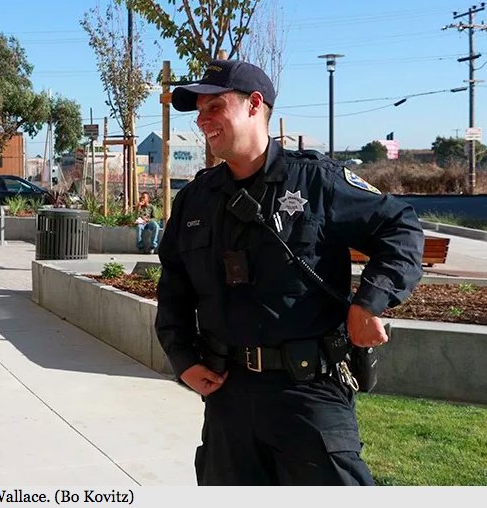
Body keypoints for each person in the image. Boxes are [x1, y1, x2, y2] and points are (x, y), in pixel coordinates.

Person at [156, 59, 423, 485]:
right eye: (199, 111)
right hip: (228, 394)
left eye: (214, 107)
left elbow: (401, 227)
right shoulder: (196, 199)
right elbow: (173, 283)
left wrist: (370, 301)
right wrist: (182, 357)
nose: (202, 120)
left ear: (254, 104)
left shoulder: (318, 181)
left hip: (310, 395)